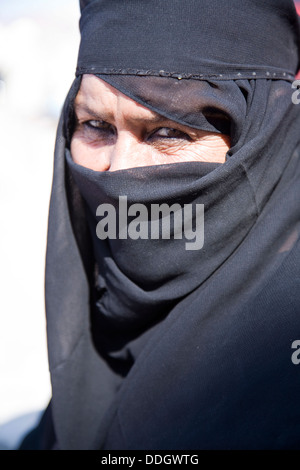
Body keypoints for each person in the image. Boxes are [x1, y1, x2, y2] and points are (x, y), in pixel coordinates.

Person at [20, 0, 300, 450]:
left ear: (262, 140)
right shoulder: (102, 322)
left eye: (169, 132)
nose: (120, 171)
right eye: (95, 125)